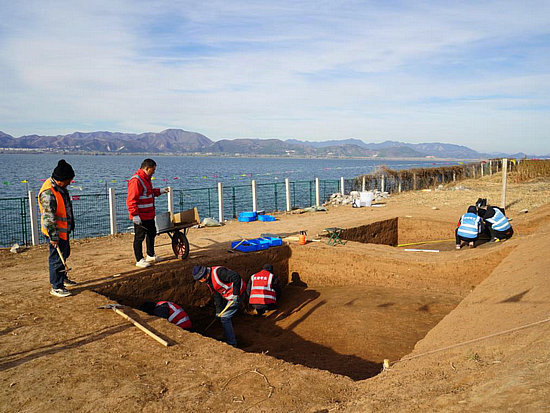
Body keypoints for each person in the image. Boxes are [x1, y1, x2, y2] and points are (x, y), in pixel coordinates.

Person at [38, 160, 76, 297]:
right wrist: (53, 237)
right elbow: (49, 217)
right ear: (60, 180)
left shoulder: (60, 188)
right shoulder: (48, 193)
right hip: (55, 232)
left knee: (64, 254)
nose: (69, 183)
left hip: (63, 230)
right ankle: (56, 286)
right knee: (56, 259)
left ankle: (62, 278)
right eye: (68, 180)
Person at [126, 159, 170, 268]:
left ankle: (150, 255)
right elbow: (131, 200)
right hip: (140, 216)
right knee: (139, 237)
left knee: (151, 234)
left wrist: (160, 191)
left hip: (149, 215)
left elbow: (149, 193)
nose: (154, 172)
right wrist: (135, 215)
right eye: (153, 170)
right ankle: (139, 259)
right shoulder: (136, 180)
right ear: (146, 168)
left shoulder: (146, 179)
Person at [192, 265, 246, 347]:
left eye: (199, 279)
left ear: (204, 276)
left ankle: (232, 343)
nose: (200, 281)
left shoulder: (219, 273)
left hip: (238, 294)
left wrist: (236, 294)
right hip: (228, 296)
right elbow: (217, 295)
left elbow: (236, 277)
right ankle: (227, 335)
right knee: (222, 316)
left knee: (225, 318)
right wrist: (218, 311)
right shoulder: (209, 281)